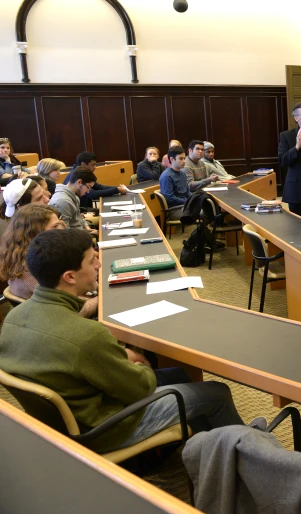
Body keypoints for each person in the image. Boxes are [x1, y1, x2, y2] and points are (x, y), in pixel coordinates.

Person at [0, 228, 246, 453]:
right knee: (217, 392)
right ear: (70, 277)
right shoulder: (86, 335)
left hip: (64, 422)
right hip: (103, 428)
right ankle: (246, 460)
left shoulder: (13, 317)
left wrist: (116, 358)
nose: (99, 264)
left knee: (179, 376)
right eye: (91, 260)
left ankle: (208, 447)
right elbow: (140, 388)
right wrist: (141, 366)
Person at [0, 205, 100, 317]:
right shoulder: (35, 269)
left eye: (60, 224)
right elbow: (73, 310)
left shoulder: (36, 256)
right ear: (34, 234)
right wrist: (101, 299)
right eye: (55, 226)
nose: (62, 230)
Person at [63, 151, 128, 209]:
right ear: (83, 164)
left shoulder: (83, 173)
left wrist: (118, 188)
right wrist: (117, 190)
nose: (95, 167)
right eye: (92, 165)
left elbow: (99, 187)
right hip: (82, 210)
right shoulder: (78, 175)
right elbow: (92, 194)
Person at [49, 166, 98, 236]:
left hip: (80, 232)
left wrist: (86, 228)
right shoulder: (62, 202)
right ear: (79, 182)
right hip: (75, 239)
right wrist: (86, 235)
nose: (88, 191)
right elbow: (64, 232)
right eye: (88, 187)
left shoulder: (74, 196)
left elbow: (78, 216)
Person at [159, 146, 190, 221]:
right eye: (181, 158)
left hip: (184, 206)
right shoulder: (166, 176)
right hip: (174, 210)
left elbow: (187, 192)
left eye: (184, 158)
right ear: (172, 159)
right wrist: (187, 201)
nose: (184, 161)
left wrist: (193, 199)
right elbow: (170, 198)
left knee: (206, 205)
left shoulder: (182, 173)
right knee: (204, 212)